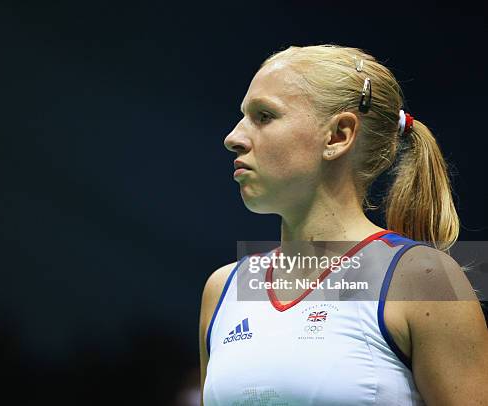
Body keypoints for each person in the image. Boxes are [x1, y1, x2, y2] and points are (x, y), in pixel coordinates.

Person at [199, 44, 488, 405]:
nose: (233, 138)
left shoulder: (424, 279)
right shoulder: (224, 288)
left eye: (264, 116)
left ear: (338, 136)